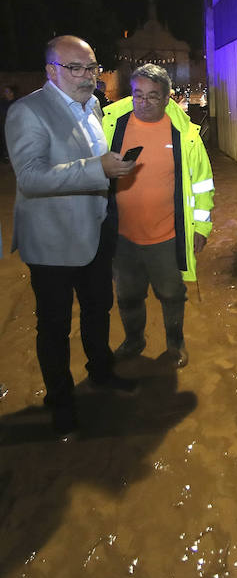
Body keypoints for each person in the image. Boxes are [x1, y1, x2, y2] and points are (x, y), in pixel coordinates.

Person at [4, 35, 138, 437]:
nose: (86, 76)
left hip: (95, 229)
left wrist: (110, 174)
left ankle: (100, 373)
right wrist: (99, 169)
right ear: (51, 71)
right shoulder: (28, 112)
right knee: (55, 325)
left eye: (91, 67)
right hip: (52, 242)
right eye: (74, 68)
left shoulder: (92, 104)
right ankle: (60, 401)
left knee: (98, 309)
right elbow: (30, 177)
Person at [102, 63, 214, 369]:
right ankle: (134, 339)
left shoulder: (185, 135)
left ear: (167, 98)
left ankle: (175, 343)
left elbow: (204, 184)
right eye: (138, 94)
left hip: (166, 236)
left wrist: (201, 227)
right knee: (127, 295)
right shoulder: (111, 126)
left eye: (153, 96)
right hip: (122, 236)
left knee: (172, 294)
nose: (144, 102)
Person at [1, 85, 17, 162]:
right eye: (5, 92)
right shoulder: (2, 103)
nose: (5, 93)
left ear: (12, 93)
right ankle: (6, 156)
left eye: (7, 91)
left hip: (14, 127)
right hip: (4, 126)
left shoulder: (17, 103)